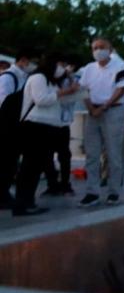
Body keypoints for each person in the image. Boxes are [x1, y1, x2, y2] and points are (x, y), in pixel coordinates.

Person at [13, 54, 80, 216]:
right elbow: (41, 99)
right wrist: (65, 92)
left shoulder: (51, 82)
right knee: (29, 168)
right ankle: (22, 204)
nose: (63, 69)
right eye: (60, 64)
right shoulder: (38, 78)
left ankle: (28, 201)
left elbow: (56, 101)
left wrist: (70, 89)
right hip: (34, 127)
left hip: (47, 127)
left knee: (35, 168)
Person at [79, 37, 124, 207]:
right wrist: (91, 109)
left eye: (101, 47)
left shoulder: (120, 67)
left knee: (113, 153)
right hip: (93, 112)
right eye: (95, 47)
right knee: (92, 154)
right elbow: (84, 89)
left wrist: (105, 105)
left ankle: (114, 191)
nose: (98, 50)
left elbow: (121, 88)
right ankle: (92, 191)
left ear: (110, 49)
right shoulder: (88, 68)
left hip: (113, 111)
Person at [0, 49, 37, 209]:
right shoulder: (8, 78)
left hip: (16, 127)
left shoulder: (24, 77)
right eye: (33, 61)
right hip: (6, 127)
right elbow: (2, 102)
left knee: (11, 162)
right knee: (5, 162)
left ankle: (4, 193)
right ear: (23, 60)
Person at [42, 54, 81, 196]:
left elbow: (74, 97)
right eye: (60, 65)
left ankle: (65, 184)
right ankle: (52, 184)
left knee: (64, 155)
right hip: (47, 122)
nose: (63, 68)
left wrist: (70, 79)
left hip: (63, 123)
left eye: (65, 65)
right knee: (47, 156)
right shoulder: (46, 79)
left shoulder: (72, 79)